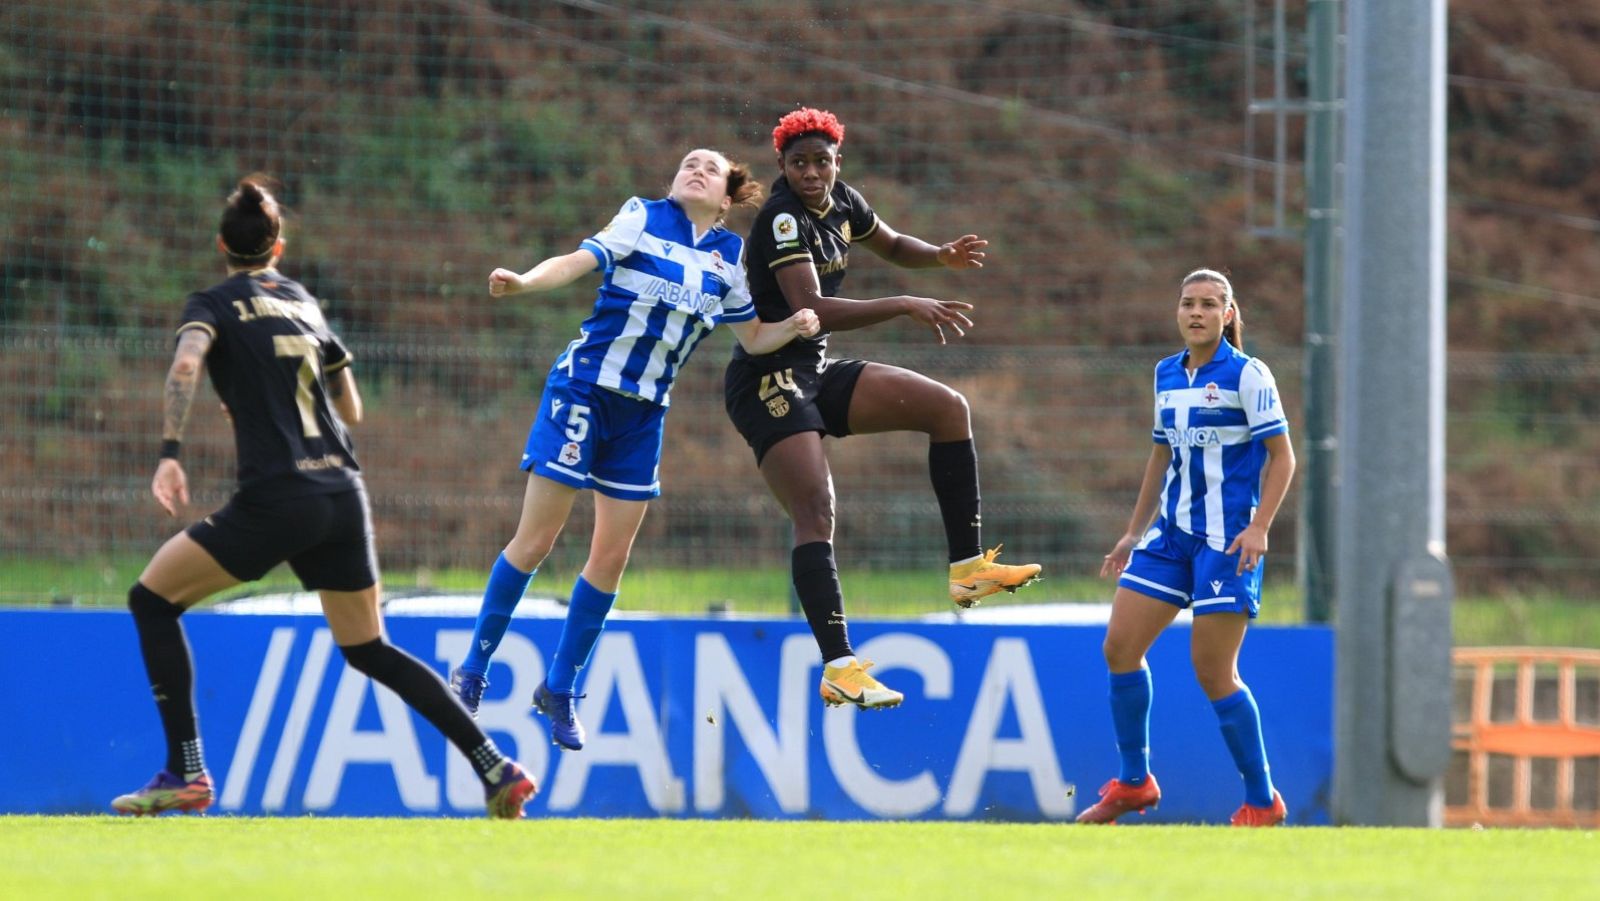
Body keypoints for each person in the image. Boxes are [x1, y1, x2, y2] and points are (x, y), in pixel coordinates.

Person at [111, 178, 537, 819]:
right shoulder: (304, 303)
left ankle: (187, 771)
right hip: (342, 491)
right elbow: (352, 408)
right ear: (277, 248)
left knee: (151, 599)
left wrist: (170, 454)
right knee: (369, 648)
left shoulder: (213, 303)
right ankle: (495, 765)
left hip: (280, 496)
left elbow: (185, 365)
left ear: (221, 244)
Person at [450, 149, 820, 750]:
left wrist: (794, 327)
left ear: (727, 198)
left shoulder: (731, 259)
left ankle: (560, 688)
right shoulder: (641, 217)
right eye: (687, 163)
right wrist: (524, 281)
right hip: (584, 392)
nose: (695, 169)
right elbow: (576, 260)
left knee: (611, 558)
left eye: (710, 167)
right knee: (537, 540)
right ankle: (473, 670)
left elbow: (752, 337)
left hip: (644, 414)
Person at [724, 107, 1042, 711]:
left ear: (838, 160)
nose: (812, 173)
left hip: (812, 367)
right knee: (816, 511)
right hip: (766, 377)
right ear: (783, 168)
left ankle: (968, 568)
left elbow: (892, 243)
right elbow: (811, 305)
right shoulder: (783, 219)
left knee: (948, 409)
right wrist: (902, 303)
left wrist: (939, 255)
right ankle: (840, 666)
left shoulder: (843, 200)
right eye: (799, 164)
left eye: (822, 161)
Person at [1074, 269, 1296, 827]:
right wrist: (1132, 531)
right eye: (1187, 303)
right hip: (1170, 537)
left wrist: (1260, 527)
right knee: (1119, 647)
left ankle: (1263, 798)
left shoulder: (1248, 374)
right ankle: (1133, 782)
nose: (1196, 313)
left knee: (1213, 672)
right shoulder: (1166, 374)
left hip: (1226, 544)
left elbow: (1284, 457)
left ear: (1228, 313)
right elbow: (1159, 456)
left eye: (1208, 304)